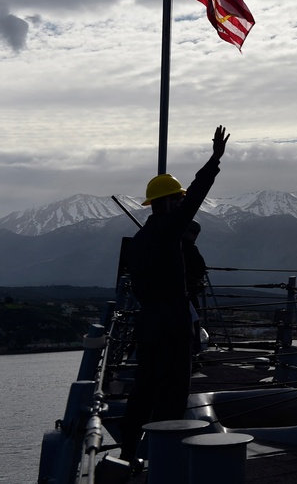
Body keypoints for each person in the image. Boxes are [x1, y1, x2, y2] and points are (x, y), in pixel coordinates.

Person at [118, 126, 229, 463]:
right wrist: (214, 160)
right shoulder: (169, 232)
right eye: (177, 199)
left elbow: (137, 286)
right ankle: (166, 459)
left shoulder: (139, 242)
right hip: (172, 321)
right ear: (167, 203)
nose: (182, 202)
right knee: (172, 391)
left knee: (144, 389)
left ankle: (127, 452)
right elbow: (195, 195)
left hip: (148, 322)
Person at [183, 219, 207, 359]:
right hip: (188, 292)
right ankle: (194, 350)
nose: (196, 236)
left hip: (183, 291)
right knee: (193, 320)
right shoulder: (190, 249)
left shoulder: (176, 246)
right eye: (194, 233)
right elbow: (200, 268)